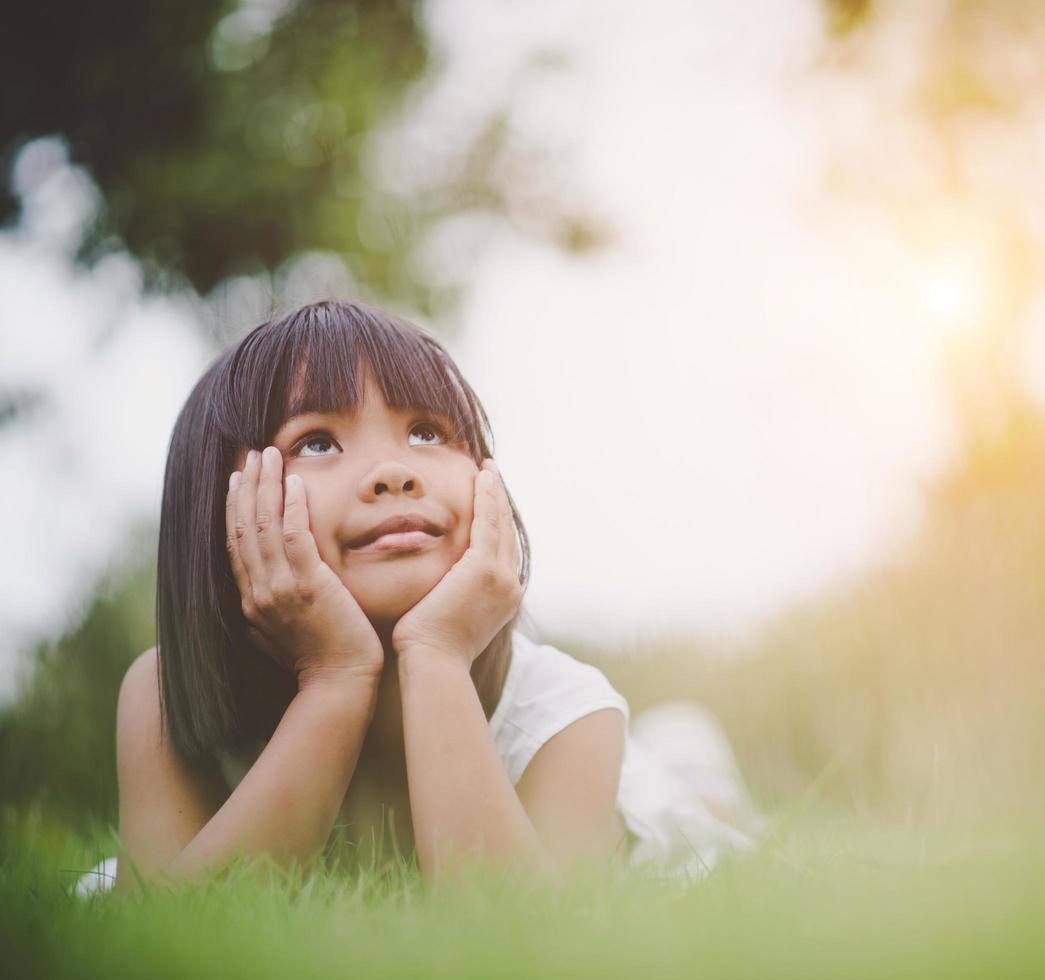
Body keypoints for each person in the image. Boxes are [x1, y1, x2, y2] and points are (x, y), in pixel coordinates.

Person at [80, 299, 762, 897]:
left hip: (638, 802)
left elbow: (516, 941)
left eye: (427, 432)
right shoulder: (167, 695)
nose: (393, 472)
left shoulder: (566, 711)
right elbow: (172, 931)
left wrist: (435, 655)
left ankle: (693, 763)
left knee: (693, 802)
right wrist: (335, 679)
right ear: (216, 507)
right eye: (316, 442)